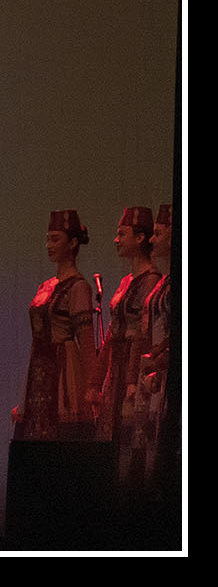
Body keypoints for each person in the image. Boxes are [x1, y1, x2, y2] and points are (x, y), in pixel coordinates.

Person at [11, 209, 99, 441]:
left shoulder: (78, 286)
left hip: (64, 366)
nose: (49, 245)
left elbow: (86, 340)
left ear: (72, 243)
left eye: (55, 239)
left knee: (61, 434)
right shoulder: (46, 286)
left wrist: (93, 385)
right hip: (39, 364)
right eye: (48, 239)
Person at [95, 206, 159, 456]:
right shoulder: (127, 281)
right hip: (117, 367)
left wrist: (132, 379)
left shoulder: (151, 280)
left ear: (140, 237)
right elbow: (112, 334)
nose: (116, 240)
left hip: (132, 368)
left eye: (122, 234)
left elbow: (142, 334)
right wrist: (95, 381)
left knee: (128, 433)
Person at [130, 204, 174, 489]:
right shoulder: (165, 282)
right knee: (144, 442)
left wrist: (160, 357)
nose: (153, 239)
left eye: (159, 233)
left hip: (167, 373)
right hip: (153, 372)